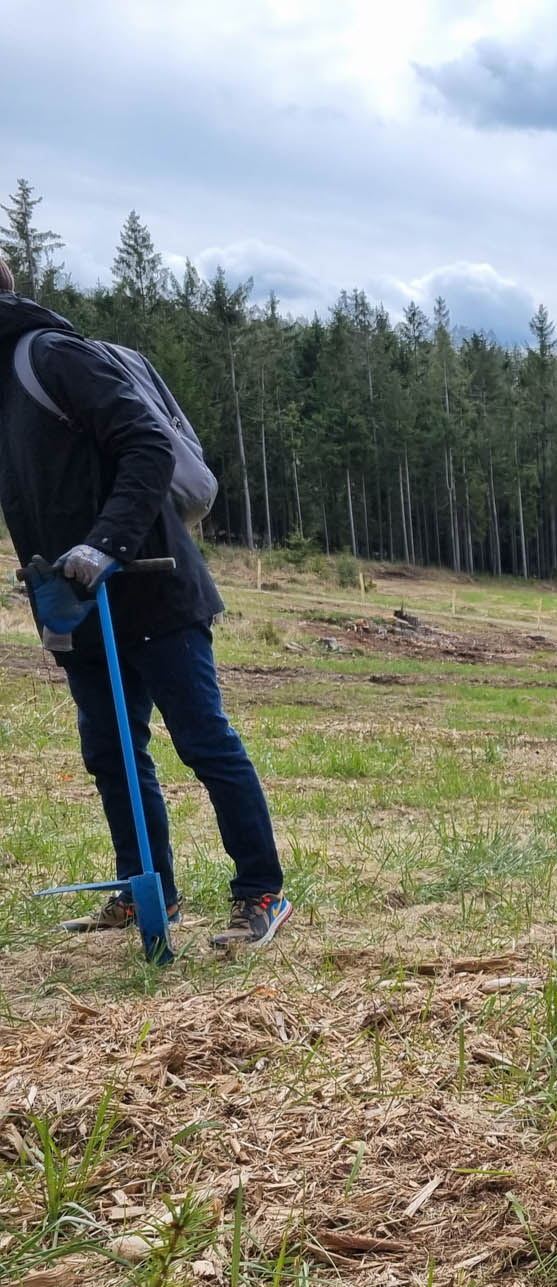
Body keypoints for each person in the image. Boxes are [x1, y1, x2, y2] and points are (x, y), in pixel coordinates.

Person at [0, 258, 290, 948]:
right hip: (74, 603)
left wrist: (106, 543)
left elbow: (148, 442)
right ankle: (144, 890)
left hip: (151, 583)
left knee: (203, 740)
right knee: (110, 750)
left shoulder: (50, 356)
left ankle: (261, 892)